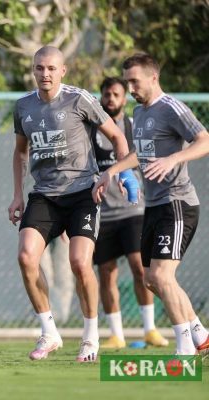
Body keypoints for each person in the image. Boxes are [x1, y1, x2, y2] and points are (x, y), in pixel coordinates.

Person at [8, 46, 138, 362]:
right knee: (26, 256)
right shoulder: (23, 107)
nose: (45, 74)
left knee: (80, 263)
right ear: (33, 69)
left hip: (82, 194)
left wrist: (122, 173)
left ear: (63, 71)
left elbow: (118, 137)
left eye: (51, 68)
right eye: (39, 68)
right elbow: (20, 152)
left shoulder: (79, 100)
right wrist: (17, 194)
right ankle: (49, 333)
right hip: (45, 196)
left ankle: (91, 337)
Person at [121, 53, 209, 356]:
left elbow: (204, 140)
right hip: (154, 205)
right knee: (152, 281)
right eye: (127, 81)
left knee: (161, 276)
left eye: (135, 81)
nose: (130, 87)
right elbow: (140, 152)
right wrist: (112, 171)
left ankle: (184, 346)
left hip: (178, 203)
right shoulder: (139, 112)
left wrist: (173, 158)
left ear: (153, 77)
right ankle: (200, 332)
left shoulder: (171, 107)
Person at [92, 76, 169, 349]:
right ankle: (116, 334)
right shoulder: (90, 132)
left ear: (124, 98)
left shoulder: (134, 127)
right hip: (103, 215)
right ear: (100, 98)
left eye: (115, 94)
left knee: (140, 267)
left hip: (134, 211)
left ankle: (149, 329)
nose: (110, 99)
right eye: (106, 94)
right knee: (106, 273)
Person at [39, 233, 74, 324]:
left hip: (66, 222)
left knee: (64, 265)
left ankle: (62, 316)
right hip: (40, 223)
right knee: (42, 267)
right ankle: (46, 316)